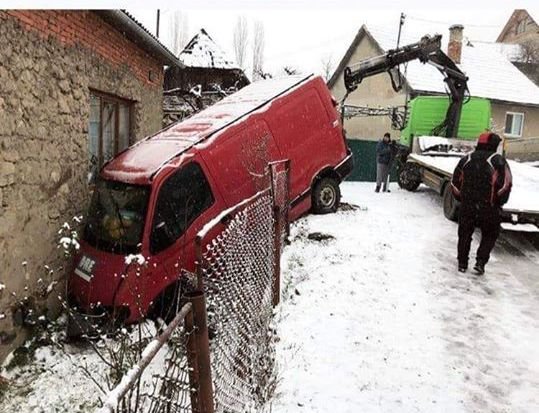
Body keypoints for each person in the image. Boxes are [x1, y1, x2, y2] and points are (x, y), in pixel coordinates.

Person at [451, 132, 512, 275]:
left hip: (467, 206)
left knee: (465, 233)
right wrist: (498, 201)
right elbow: (506, 184)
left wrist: (461, 198)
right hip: (489, 208)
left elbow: (455, 182)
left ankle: (462, 263)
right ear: (494, 145)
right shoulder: (498, 161)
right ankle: (480, 262)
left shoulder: (467, 159)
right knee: (490, 234)